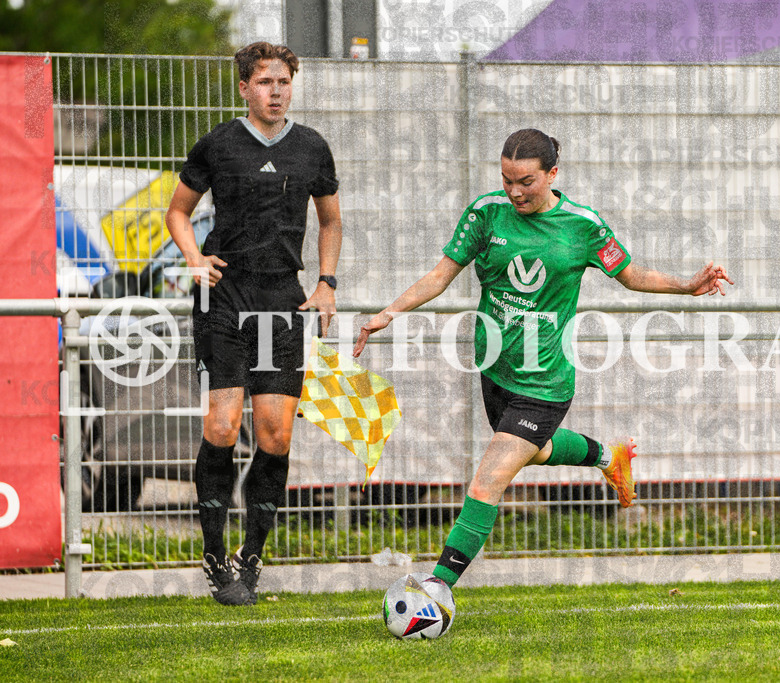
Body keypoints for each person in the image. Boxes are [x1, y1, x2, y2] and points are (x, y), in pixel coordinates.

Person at [352, 128, 731, 589]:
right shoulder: (486, 213)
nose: (514, 191)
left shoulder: (583, 225)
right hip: (494, 369)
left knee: (487, 481)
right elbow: (440, 275)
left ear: (553, 174)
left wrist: (688, 285)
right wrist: (388, 313)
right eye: (507, 179)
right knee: (535, 449)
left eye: (526, 181)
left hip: (545, 384)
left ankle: (436, 589)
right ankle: (605, 455)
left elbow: (632, 275)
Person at [165, 42, 342, 605]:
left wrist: (326, 282)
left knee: (276, 435)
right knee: (220, 428)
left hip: (282, 304)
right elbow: (177, 211)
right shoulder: (218, 143)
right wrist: (194, 257)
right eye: (265, 82)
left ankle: (252, 557)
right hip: (225, 298)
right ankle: (214, 553)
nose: (276, 91)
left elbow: (331, 220)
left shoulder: (312, 147)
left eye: (284, 82)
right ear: (244, 87)